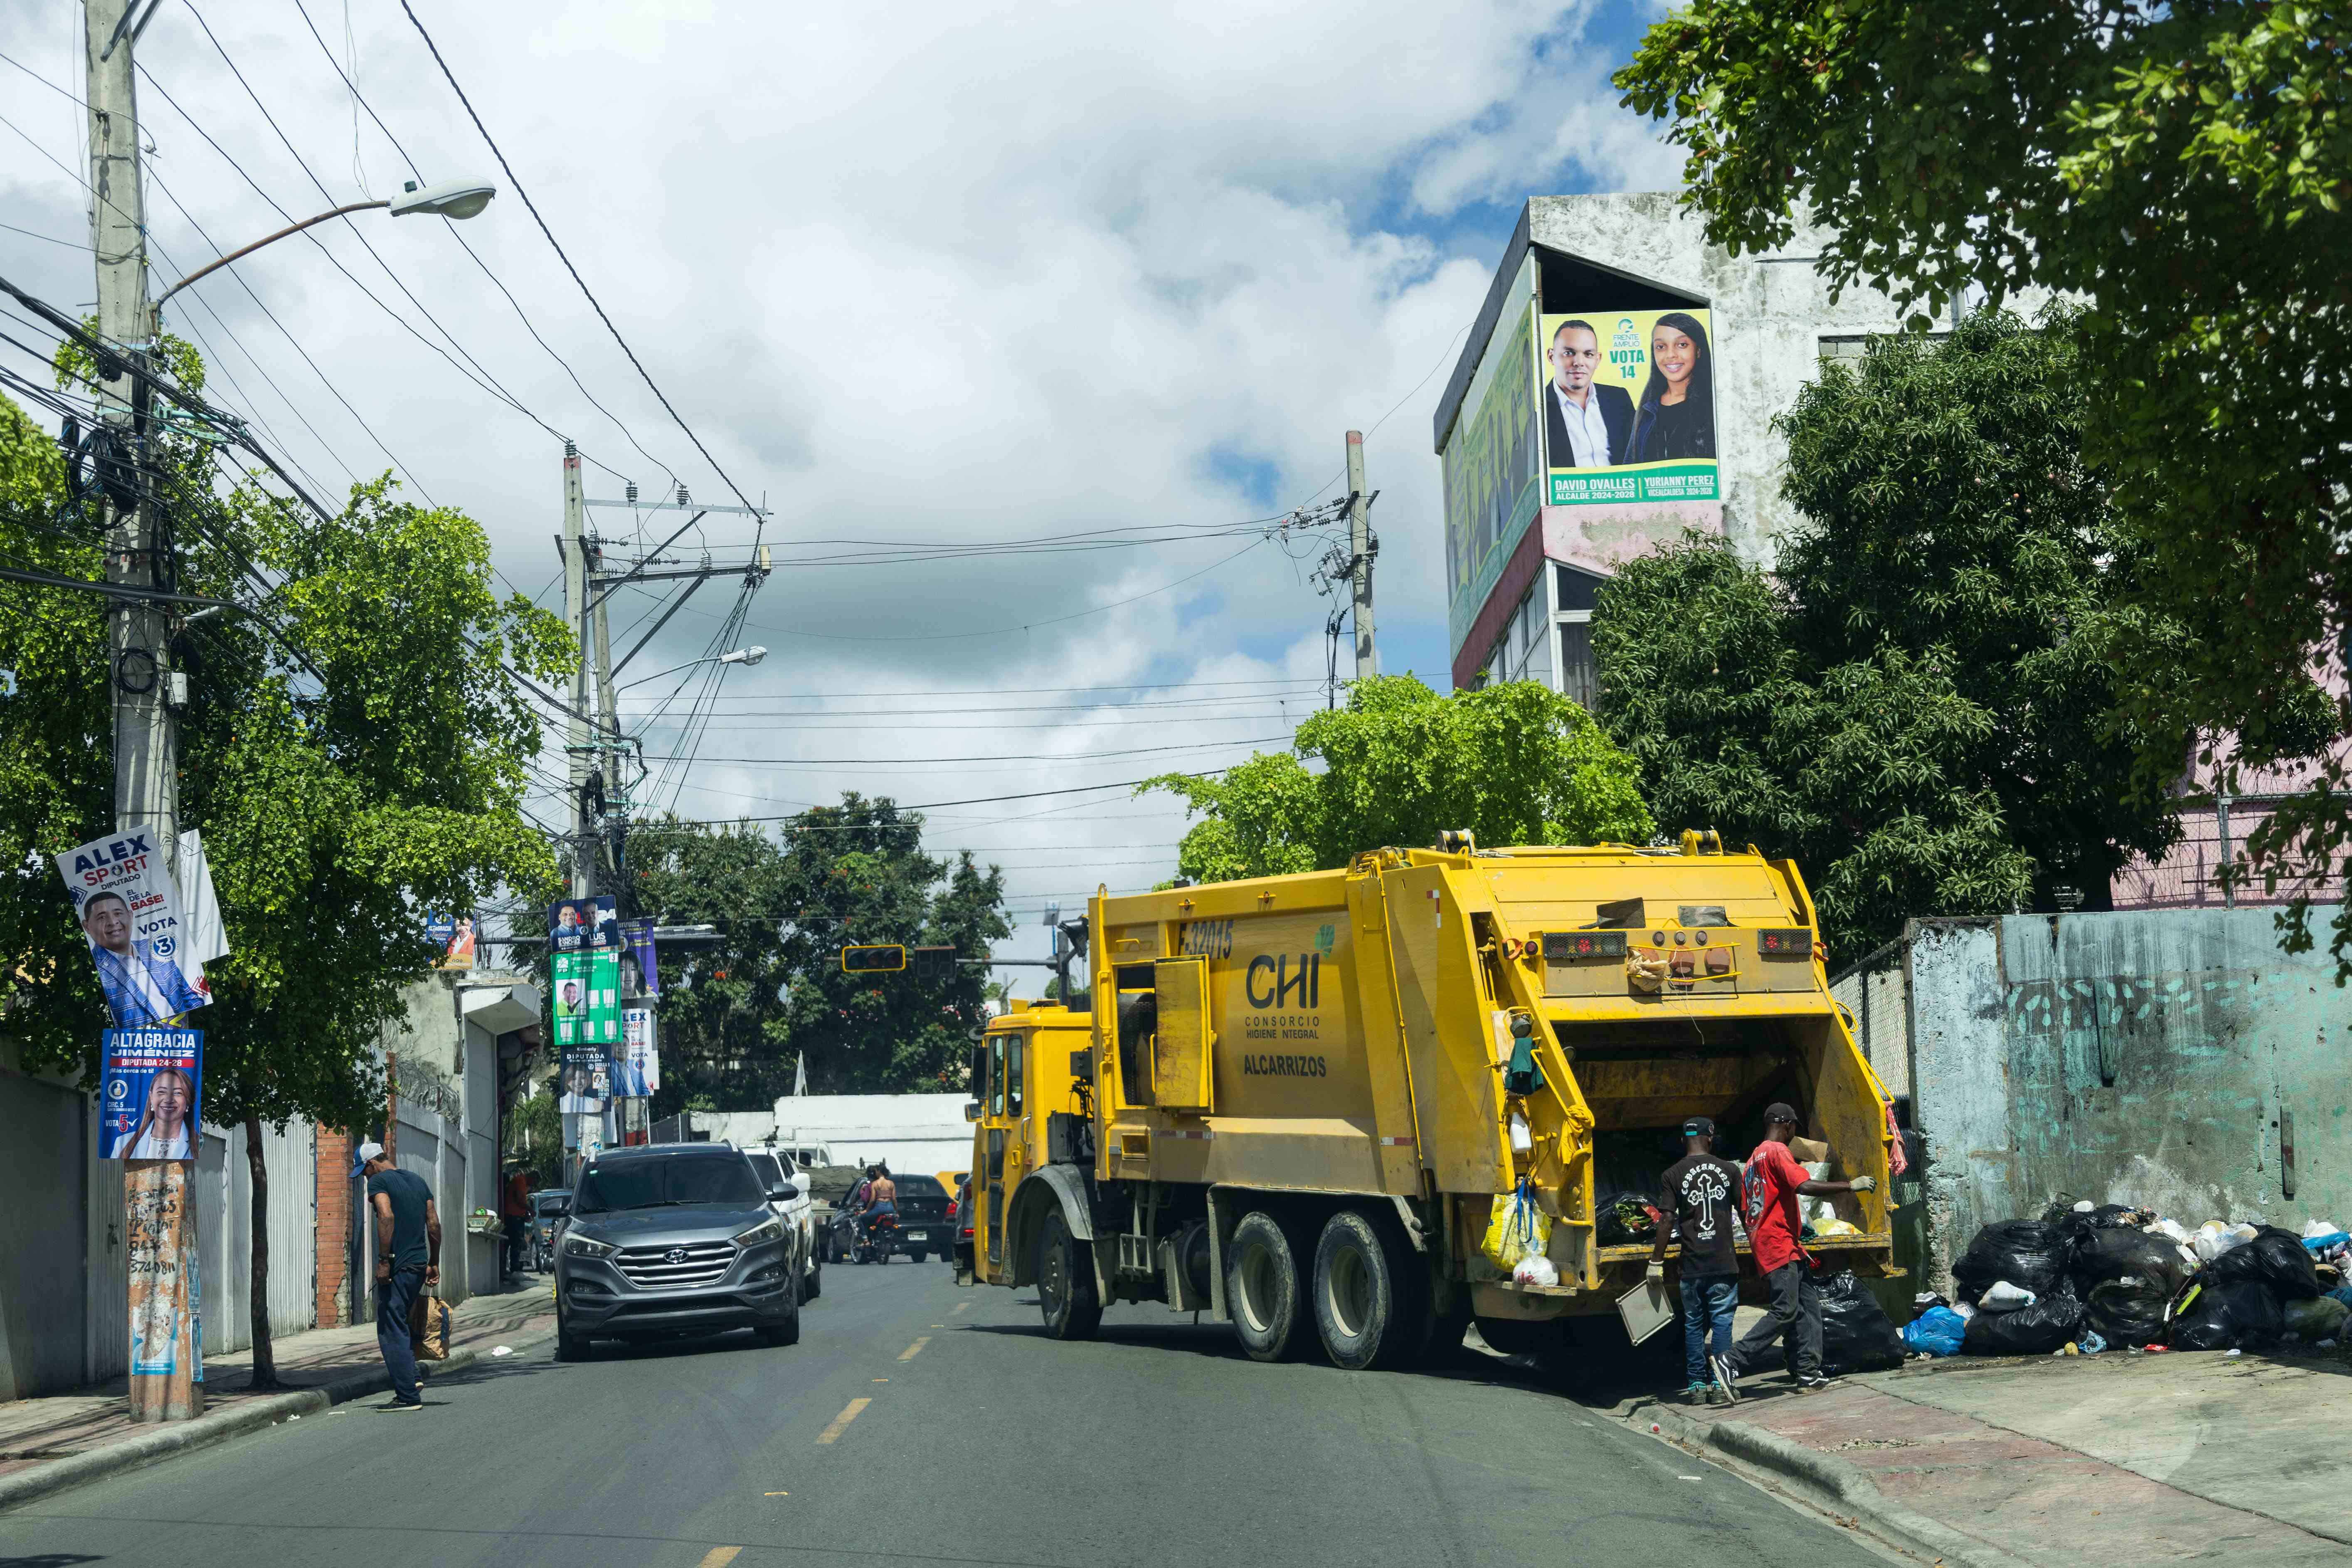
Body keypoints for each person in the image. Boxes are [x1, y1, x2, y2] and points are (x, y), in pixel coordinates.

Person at [1724, 1103, 1874, 1391]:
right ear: (1788, 1126)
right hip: (1778, 1243)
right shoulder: (1778, 1151)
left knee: (1809, 1307)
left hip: (1779, 1244)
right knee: (1785, 1311)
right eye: (1795, 1129)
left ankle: (1807, 1371)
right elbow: (1803, 1187)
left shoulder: (1755, 1158)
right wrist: (1850, 1186)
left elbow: (1745, 1209)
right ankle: (1733, 1359)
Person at [1647, 1115, 1745, 1405]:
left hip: (1691, 1265)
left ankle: (1696, 1387)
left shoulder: (1672, 1175)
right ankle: (1721, 1382)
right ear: (1711, 1139)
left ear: (1682, 1141)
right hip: (1723, 1263)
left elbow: (1666, 1220)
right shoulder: (1729, 1170)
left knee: (1693, 1324)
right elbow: (1746, 1214)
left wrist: (1656, 1261)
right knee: (1723, 1323)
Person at [357, 1140, 440, 1410]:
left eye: (364, 1171)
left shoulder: (379, 1183)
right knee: (401, 1324)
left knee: (390, 1329)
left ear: (372, 1164)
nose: (365, 1177)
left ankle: (407, 1396)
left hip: (398, 1267)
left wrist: (384, 1260)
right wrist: (434, 1262)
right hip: (417, 1267)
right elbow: (434, 1224)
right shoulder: (418, 1181)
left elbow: (386, 1216)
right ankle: (412, 1378)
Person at [80, 890, 203, 1027]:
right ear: (87, 926)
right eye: (102, 917)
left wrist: (197, 1025)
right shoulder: (92, 969)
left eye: (118, 913)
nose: (113, 922)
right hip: (142, 1045)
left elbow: (188, 996)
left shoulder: (154, 947)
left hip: (184, 1035)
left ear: (130, 916)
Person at [1543, 318, 1637, 468]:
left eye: (1588, 354)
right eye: (1569, 353)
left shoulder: (1619, 399)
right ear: (1551, 357)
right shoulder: (1539, 409)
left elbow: (1640, 454)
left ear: (1597, 359)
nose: (1579, 362)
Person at [1627, 311, 1718, 464]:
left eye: (1682, 345)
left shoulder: (1716, 405)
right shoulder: (1647, 408)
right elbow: (1631, 464)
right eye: (1661, 347)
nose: (1670, 355)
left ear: (1698, 350)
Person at [109, 1066, 197, 1159]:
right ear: (151, 1097)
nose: (168, 1100)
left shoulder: (197, 1143)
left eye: (178, 1093)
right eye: (162, 1092)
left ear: (188, 1100)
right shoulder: (123, 1143)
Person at [501, 1164, 533, 1275]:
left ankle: (508, 1269)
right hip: (513, 1219)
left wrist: (526, 1213)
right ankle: (514, 1269)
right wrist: (530, 1210)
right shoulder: (520, 1181)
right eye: (534, 1182)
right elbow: (520, 1200)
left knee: (512, 1244)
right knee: (515, 1244)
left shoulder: (522, 1182)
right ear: (532, 1178)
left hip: (515, 1217)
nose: (533, 1186)